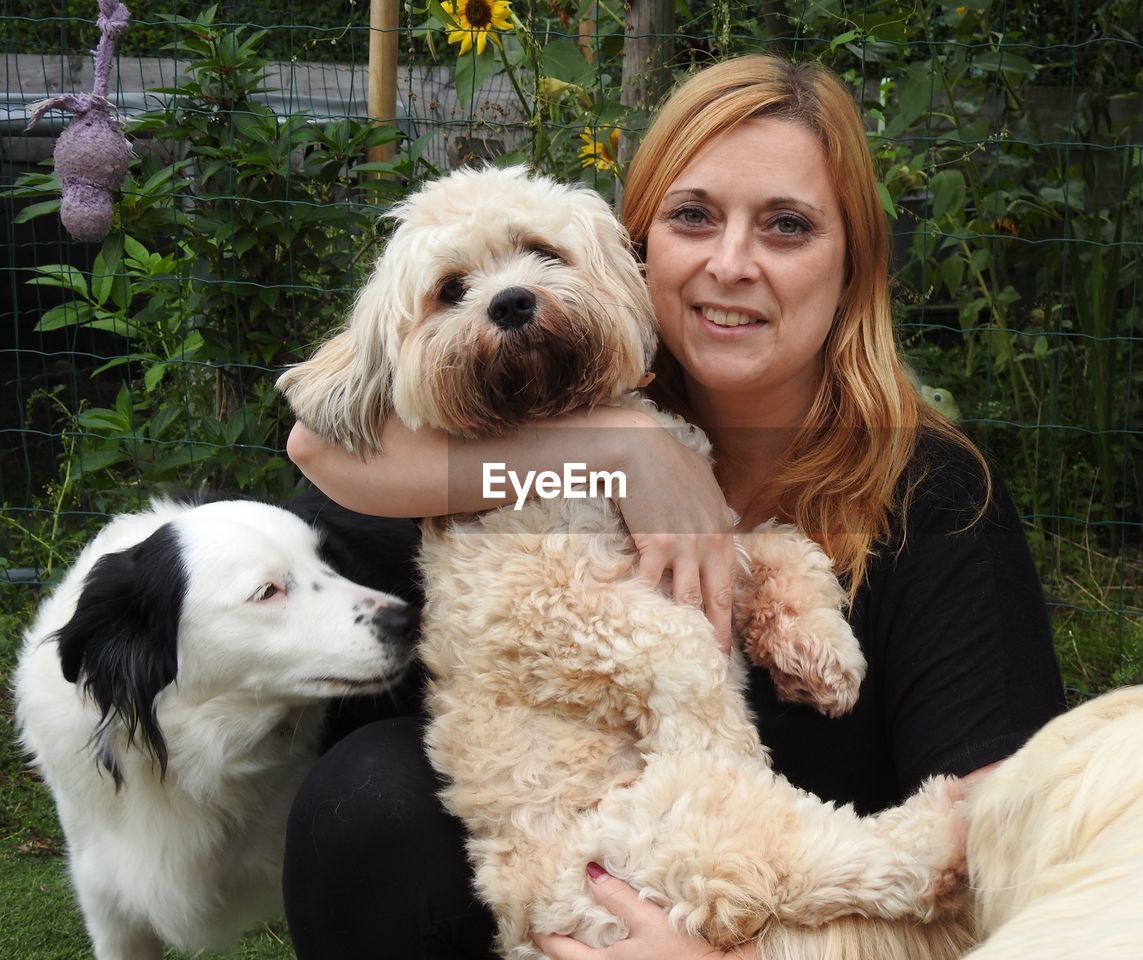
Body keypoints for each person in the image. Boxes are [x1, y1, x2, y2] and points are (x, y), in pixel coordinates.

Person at [281, 54, 1065, 960]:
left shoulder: (933, 495)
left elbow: (1016, 841)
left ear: (852, 267)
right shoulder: (556, 418)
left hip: (809, 931)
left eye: (787, 226)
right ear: (641, 243)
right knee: (362, 804)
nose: (731, 264)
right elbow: (322, 443)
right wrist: (611, 452)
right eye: (694, 217)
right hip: (565, 878)